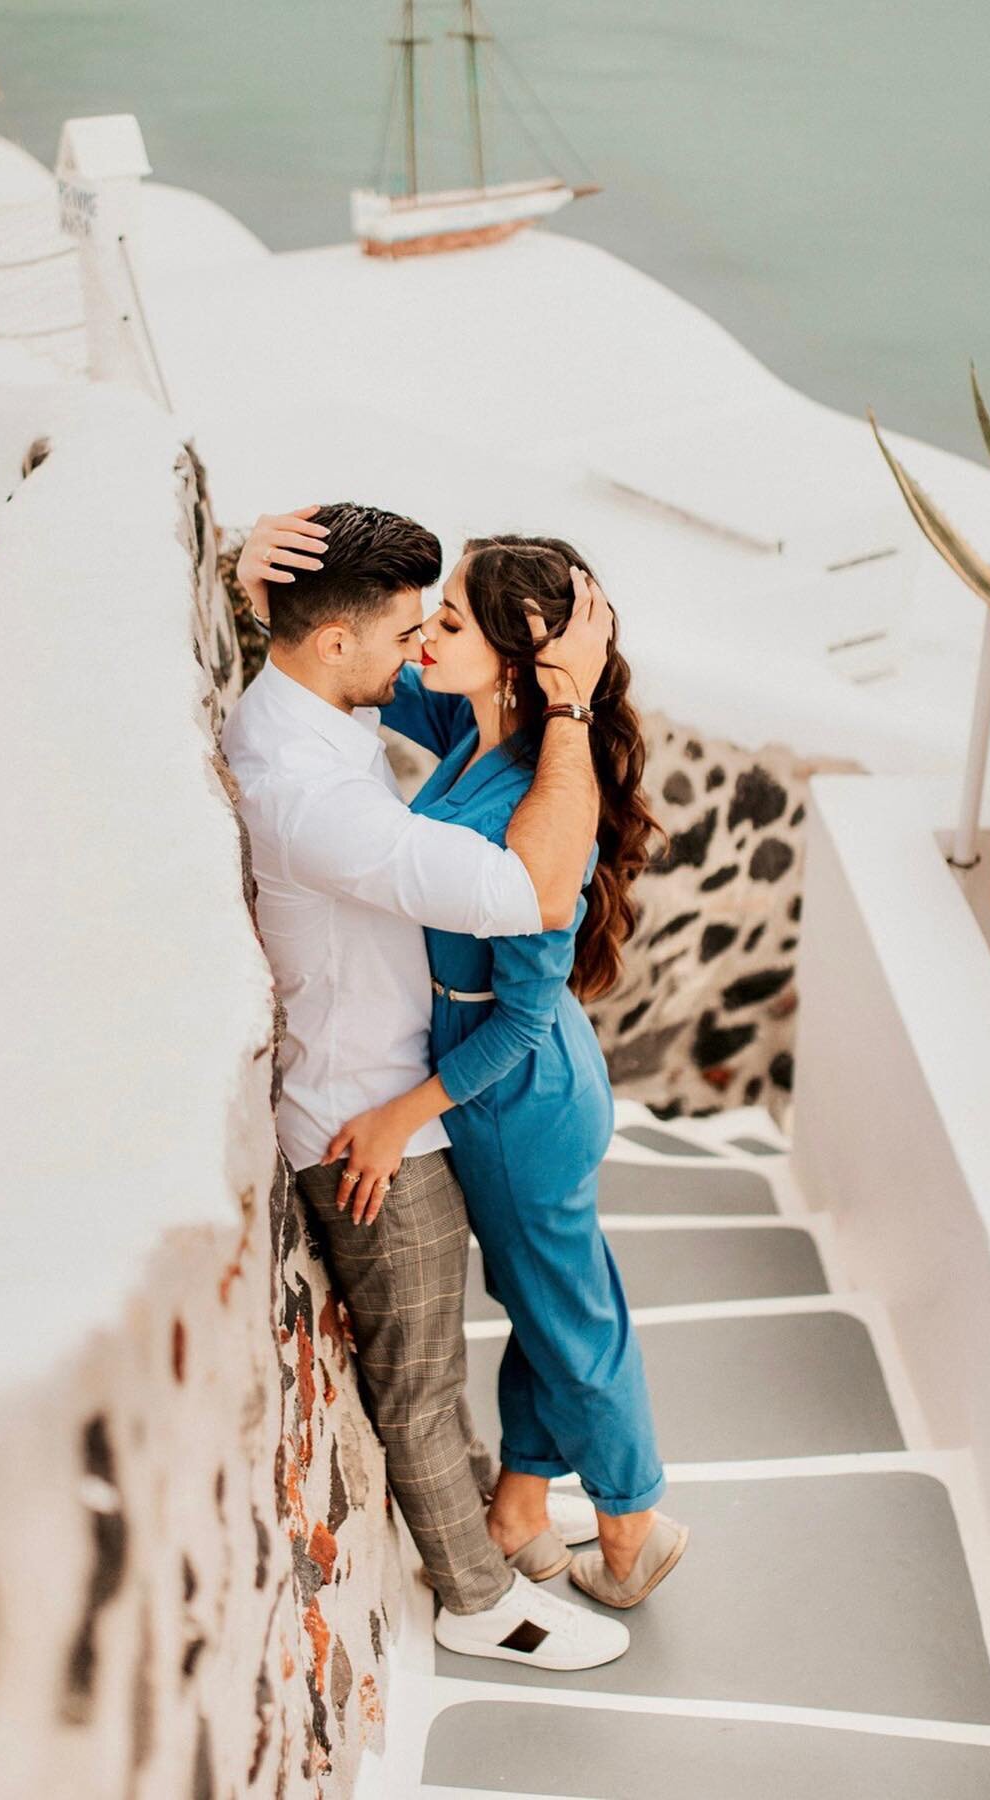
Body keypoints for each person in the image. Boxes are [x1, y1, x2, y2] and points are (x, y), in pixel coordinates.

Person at [221, 503, 629, 1670]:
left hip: (393, 1098)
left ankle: (482, 1552)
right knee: (418, 1375)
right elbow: (542, 894)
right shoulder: (314, 800)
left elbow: (371, 662)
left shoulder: (306, 706)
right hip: (359, 1120)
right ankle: (475, 1602)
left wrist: (253, 582)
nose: (419, 655)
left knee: (441, 1360)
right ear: (340, 646)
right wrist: (569, 705)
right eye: (409, 631)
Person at [324, 534, 689, 1610]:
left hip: (516, 1098)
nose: (423, 636)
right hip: (513, 1093)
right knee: (540, 1297)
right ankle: (524, 1506)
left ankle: (631, 1525)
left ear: (517, 664)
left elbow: (524, 1017)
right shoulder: (470, 727)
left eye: (449, 625)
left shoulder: (537, 804)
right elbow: (362, 678)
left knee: (571, 1319)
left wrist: (405, 1115)